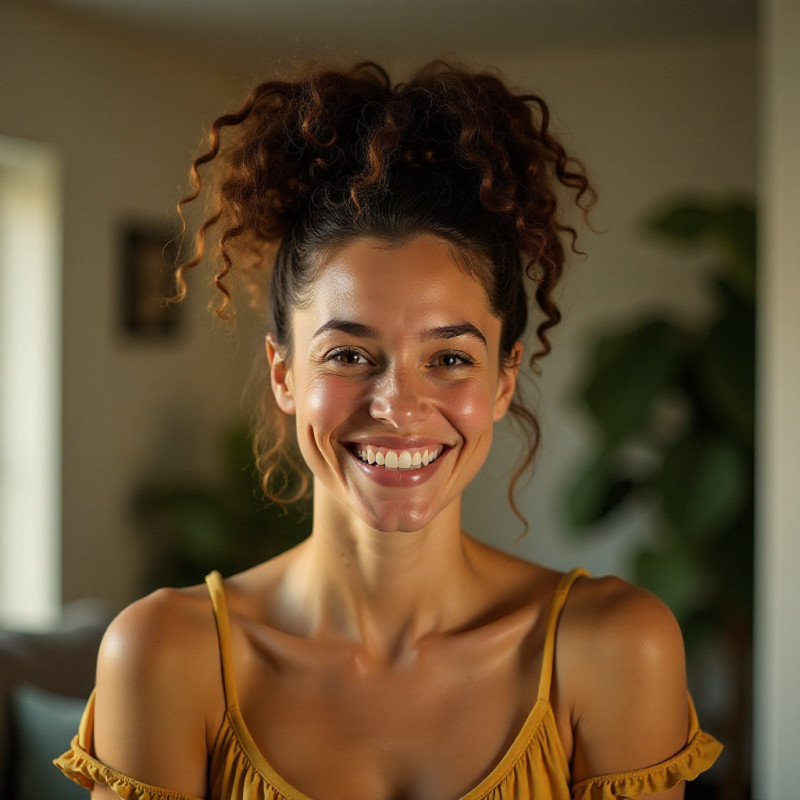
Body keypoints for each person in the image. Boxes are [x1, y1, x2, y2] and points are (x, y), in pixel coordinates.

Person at [55, 61, 722, 800]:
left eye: (448, 358)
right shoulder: (165, 656)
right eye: (347, 355)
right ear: (283, 375)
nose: (397, 405)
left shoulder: (615, 648)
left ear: (503, 380)